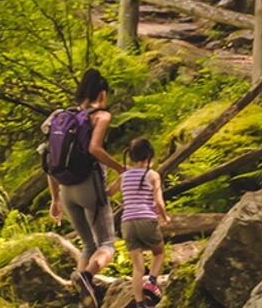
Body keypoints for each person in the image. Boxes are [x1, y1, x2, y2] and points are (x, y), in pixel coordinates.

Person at [42, 69, 125, 308]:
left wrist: (54, 198)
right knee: (107, 244)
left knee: (87, 245)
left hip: (66, 190)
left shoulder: (62, 116)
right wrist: (120, 168)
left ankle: (83, 301)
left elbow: (50, 159)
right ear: (102, 93)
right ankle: (86, 277)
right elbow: (94, 149)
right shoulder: (101, 116)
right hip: (90, 186)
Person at [119, 138, 169, 308]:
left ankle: (140, 304)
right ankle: (152, 282)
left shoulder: (123, 176)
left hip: (126, 222)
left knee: (138, 268)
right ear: (150, 156)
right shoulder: (152, 175)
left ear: (131, 157)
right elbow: (158, 202)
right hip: (146, 219)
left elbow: (108, 193)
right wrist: (164, 217)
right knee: (159, 253)